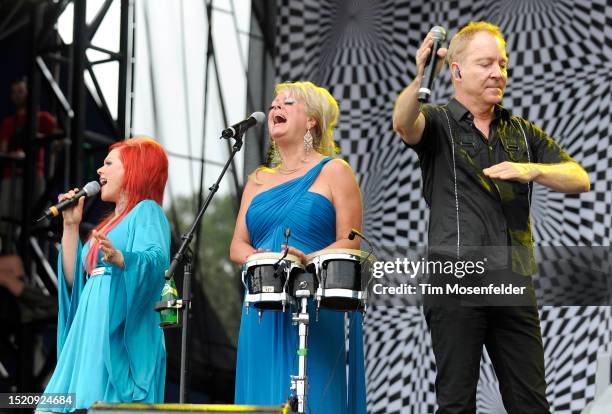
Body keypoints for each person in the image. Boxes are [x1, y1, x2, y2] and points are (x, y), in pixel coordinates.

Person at [392, 22, 590, 413]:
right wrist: (420, 76)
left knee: (531, 403)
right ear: (457, 71)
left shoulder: (520, 130)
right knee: (456, 403)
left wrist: (533, 170)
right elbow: (403, 123)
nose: (498, 72)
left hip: (512, 278)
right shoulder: (436, 121)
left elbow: (579, 178)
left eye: (502, 63)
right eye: (485, 64)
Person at [230, 81, 366, 413]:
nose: (276, 108)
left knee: (316, 396)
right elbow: (237, 246)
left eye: (287, 103)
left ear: (312, 121)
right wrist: (258, 257)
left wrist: (306, 258)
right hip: (261, 308)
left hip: (312, 303)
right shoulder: (257, 180)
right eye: (274, 103)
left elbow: (351, 240)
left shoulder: (335, 171)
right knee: (262, 399)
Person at [36, 137, 170, 413]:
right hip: (90, 326)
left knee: (96, 404)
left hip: (115, 330)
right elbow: (75, 282)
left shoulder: (147, 211)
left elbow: (156, 262)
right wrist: (71, 227)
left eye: (109, 164)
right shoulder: (108, 224)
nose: (99, 171)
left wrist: (123, 259)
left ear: (134, 169)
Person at [0, 78, 56, 251]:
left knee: (39, 224)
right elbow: (2, 149)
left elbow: (58, 138)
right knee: (6, 226)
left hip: (34, 176)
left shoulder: (42, 118)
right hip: (11, 177)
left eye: (20, 91)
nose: (17, 96)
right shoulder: (8, 123)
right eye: (14, 92)